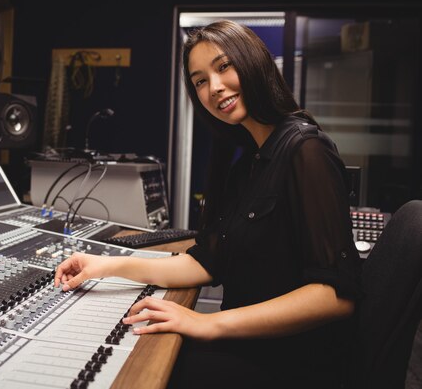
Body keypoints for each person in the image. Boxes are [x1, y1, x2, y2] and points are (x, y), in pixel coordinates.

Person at [54, 20, 362, 389]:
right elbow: (207, 261)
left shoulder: (305, 149)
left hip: (290, 363)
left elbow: (336, 296)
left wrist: (207, 323)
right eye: (200, 80)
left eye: (223, 66)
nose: (214, 87)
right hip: (248, 346)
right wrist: (106, 265)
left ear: (254, 63)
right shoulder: (248, 162)